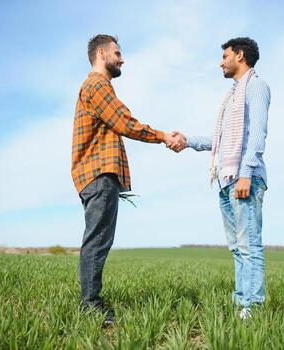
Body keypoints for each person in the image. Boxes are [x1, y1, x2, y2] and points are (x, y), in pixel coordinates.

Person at [71, 34, 180, 325]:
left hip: (95, 175)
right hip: (99, 173)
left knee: (98, 239)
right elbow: (124, 122)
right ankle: (90, 305)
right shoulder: (97, 85)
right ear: (102, 53)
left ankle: (90, 301)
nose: (122, 59)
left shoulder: (94, 87)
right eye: (117, 53)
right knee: (97, 240)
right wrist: (161, 136)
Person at [170, 37, 271, 320]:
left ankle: (254, 307)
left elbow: (258, 134)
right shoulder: (232, 97)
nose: (221, 62)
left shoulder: (256, 87)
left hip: (243, 178)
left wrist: (246, 174)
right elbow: (221, 140)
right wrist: (187, 140)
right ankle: (242, 302)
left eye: (225, 56)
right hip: (227, 180)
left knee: (249, 244)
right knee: (238, 248)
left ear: (240, 56)